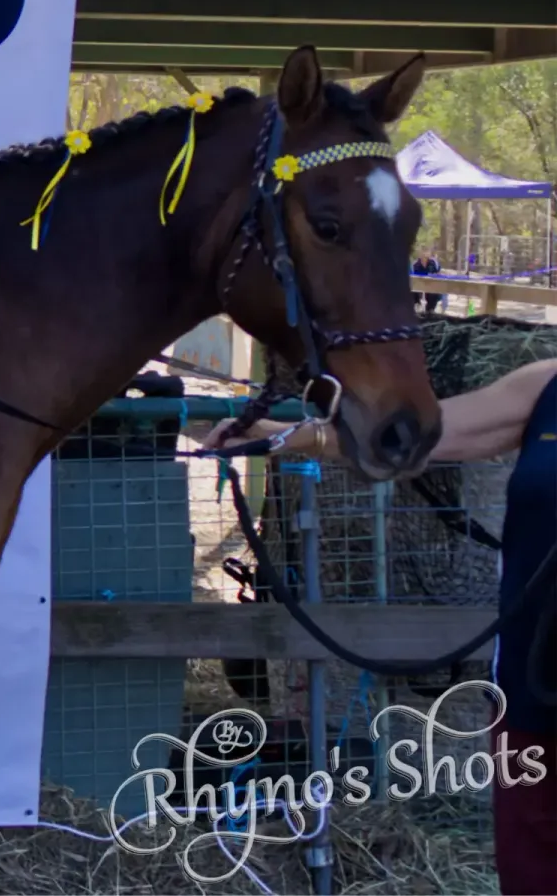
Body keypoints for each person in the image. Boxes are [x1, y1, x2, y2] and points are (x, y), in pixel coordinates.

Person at [204, 361, 557, 895]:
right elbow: (418, 435)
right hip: (534, 691)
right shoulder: (547, 386)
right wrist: (282, 437)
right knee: (533, 874)